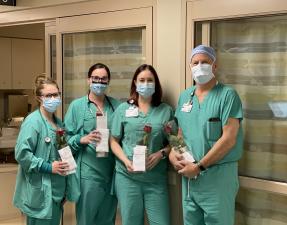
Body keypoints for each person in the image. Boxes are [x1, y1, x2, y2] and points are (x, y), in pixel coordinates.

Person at [169, 45, 243, 225]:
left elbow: (229, 139)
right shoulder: (185, 96)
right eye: (196, 62)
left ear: (215, 66)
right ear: (190, 66)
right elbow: (179, 133)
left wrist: (200, 166)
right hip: (190, 180)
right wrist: (173, 153)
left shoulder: (227, 95)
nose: (199, 66)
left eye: (205, 62)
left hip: (217, 179)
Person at [110, 64, 172, 225]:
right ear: (135, 84)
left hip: (155, 179)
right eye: (142, 80)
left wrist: (161, 154)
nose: (146, 84)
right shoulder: (124, 109)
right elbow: (113, 141)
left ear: (156, 84)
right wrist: (125, 160)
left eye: (150, 80)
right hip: (127, 178)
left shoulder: (165, 110)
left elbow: (175, 142)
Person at [64, 63, 120, 225]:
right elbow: (63, 140)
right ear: (88, 80)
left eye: (103, 79)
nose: (99, 82)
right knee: (87, 220)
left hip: (112, 173)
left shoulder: (117, 107)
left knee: (108, 219)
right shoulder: (77, 106)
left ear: (108, 81)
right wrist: (81, 139)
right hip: (88, 174)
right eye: (95, 78)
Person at [13, 75, 69, 225]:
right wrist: (48, 167)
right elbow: (22, 154)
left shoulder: (58, 124)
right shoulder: (33, 122)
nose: (54, 98)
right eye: (49, 95)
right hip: (40, 193)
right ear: (39, 98)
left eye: (56, 94)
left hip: (56, 192)